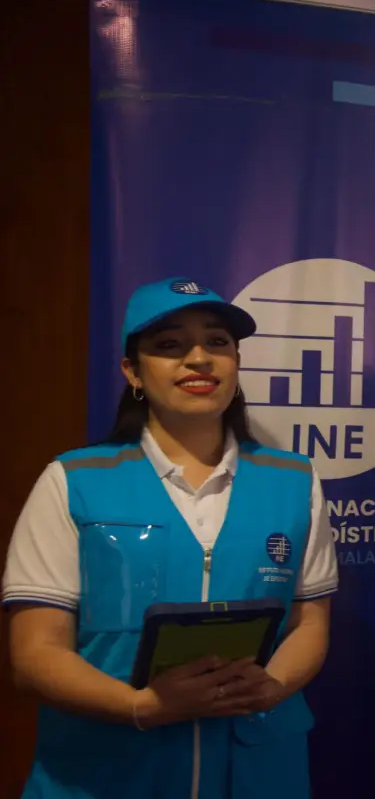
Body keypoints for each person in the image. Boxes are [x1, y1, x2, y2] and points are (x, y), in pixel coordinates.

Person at [2, 277, 339, 799]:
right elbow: (35, 652)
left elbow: (309, 622)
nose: (198, 359)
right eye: (169, 345)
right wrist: (141, 707)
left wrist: (272, 687)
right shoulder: (74, 480)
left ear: (236, 363)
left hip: (256, 772)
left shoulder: (294, 479)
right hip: (109, 773)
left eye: (217, 342)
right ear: (132, 371)